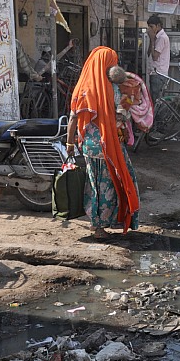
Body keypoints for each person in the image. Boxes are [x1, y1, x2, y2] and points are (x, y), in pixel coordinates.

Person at [66, 47, 141, 238]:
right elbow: (125, 110)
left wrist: (69, 144)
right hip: (110, 144)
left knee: (95, 184)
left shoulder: (83, 87)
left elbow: (73, 118)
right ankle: (101, 226)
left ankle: (98, 224)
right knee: (115, 181)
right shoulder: (114, 88)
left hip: (90, 146)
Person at [146, 14, 170, 103]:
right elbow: (149, 53)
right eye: (149, 27)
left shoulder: (161, 38)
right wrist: (151, 40)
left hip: (158, 73)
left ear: (158, 26)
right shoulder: (156, 37)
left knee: (157, 99)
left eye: (151, 26)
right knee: (154, 97)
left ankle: (159, 117)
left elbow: (155, 57)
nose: (150, 29)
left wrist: (152, 40)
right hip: (154, 72)